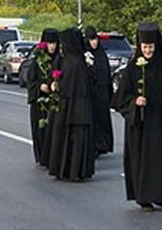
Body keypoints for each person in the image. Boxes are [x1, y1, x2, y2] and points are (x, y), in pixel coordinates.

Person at [112, 22, 162, 211]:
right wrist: (135, 102)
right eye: (145, 47)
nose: (148, 50)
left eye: (151, 47)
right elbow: (120, 99)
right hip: (140, 126)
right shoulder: (133, 68)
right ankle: (144, 197)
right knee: (142, 161)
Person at [47, 28, 96, 181]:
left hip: (67, 107)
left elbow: (63, 85)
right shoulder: (80, 61)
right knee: (77, 140)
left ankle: (64, 169)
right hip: (81, 109)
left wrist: (55, 86)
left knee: (65, 138)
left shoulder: (69, 62)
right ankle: (77, 170)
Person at [26, 28, 60, 166]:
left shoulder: (60, 60)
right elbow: (30, 81)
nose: (52, 47)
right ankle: (42, 157)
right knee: (40, 130)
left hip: (55, 102)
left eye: (54, 43)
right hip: (40, 103)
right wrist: (40, 87)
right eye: (49, 43)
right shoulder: (37, 61)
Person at [84, 26, 114, 155]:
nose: (94, 43)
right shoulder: (85, 54)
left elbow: (106, 73)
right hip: (92, 92)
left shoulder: (101, 54)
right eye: (91, 40)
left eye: (95, 39)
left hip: (103, 91)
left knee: (103, 118)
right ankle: (95, 144)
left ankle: (104, 144)